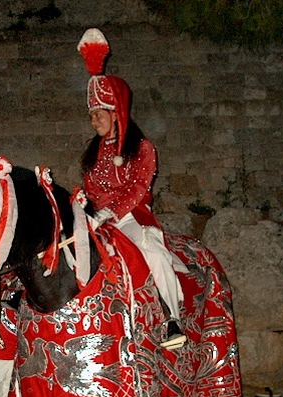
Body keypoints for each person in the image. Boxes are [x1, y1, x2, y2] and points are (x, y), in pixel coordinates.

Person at [78, 28, 187, 350]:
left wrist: (112, 212)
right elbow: (91, 188)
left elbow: (139, 186)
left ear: (116, 113)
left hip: (132, 216)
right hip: (98, 219)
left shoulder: (142, 147)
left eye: (98, 115)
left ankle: (171, 317)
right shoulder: (93, 152)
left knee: (152, 251)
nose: (94, 122)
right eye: (92, 116)